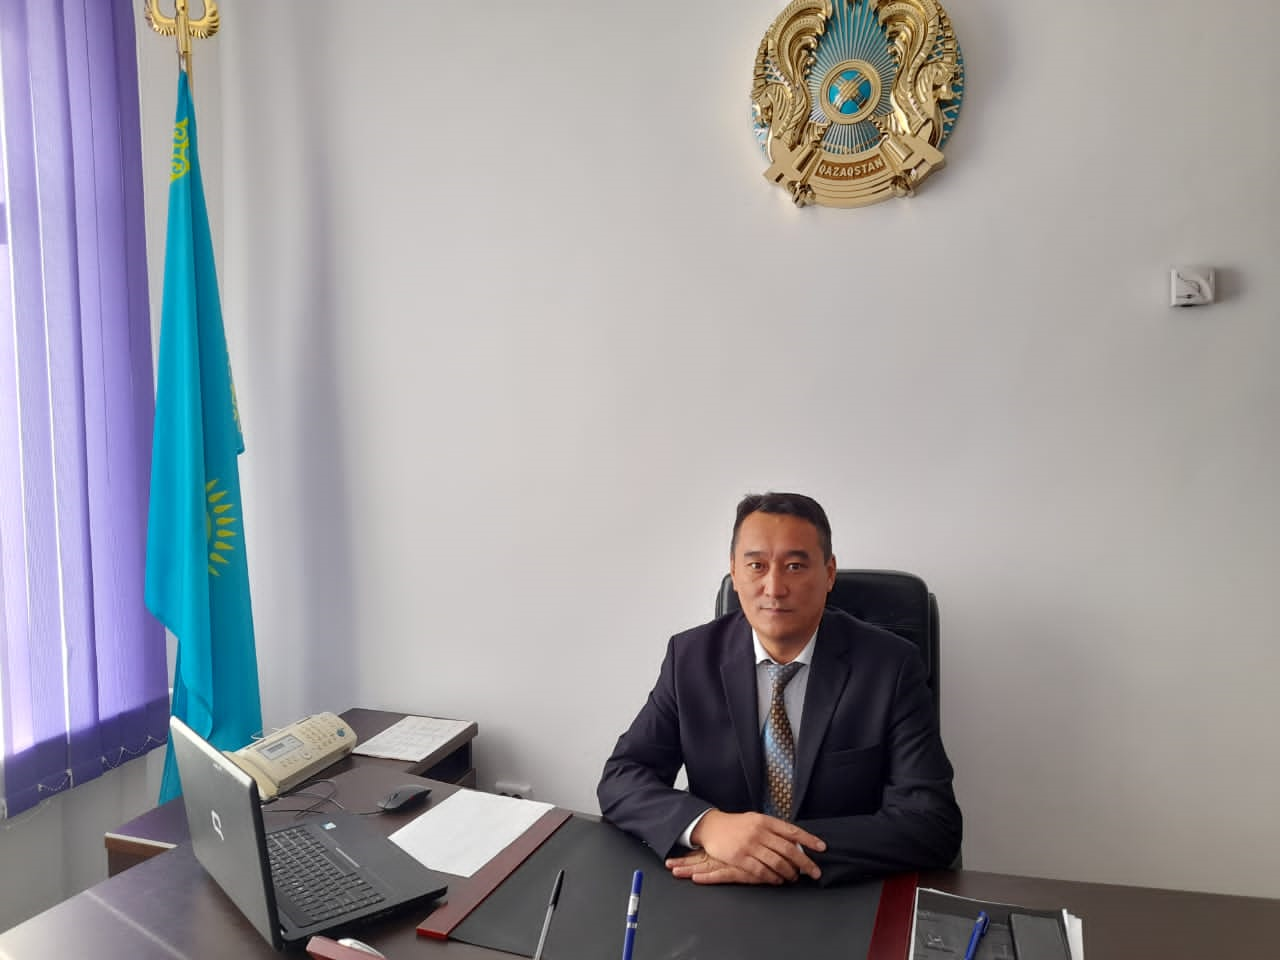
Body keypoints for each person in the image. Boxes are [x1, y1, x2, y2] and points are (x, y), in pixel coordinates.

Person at [597, 492, 961, 887]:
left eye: (794, 566)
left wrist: (773, 854)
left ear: (829, 573)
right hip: (716, 887)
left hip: (837, 889)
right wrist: (709, 826)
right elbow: (623, 776)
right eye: (756, 565)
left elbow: (932, 822)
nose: (774, 588)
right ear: (734, 572)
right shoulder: (690, 658)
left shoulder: (891, 666)